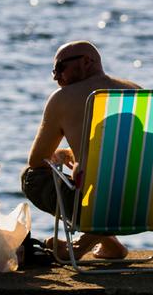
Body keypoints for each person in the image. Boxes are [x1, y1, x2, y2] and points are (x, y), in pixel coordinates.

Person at [21, 41, 142, 261]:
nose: (56, 78)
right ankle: (108, 242)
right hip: (147, 205)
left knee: (31, 177)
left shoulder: (63, 99)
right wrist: (76, 153)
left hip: (95, 208)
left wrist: (73, 155)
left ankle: (82, 243)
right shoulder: (136, 91)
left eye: (60, 69)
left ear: (86, 62)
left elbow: (37, 160)